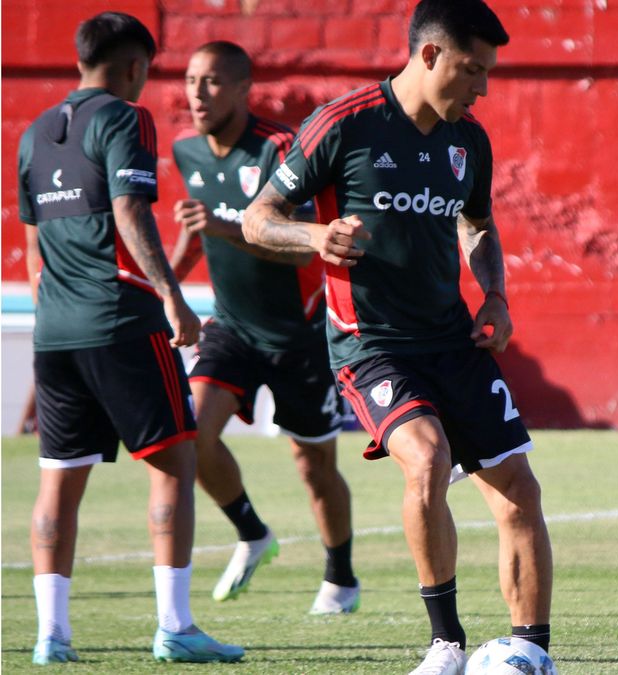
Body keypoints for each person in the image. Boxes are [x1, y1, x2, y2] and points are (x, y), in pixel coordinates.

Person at [243, 1, 552, 672]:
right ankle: (445, 644)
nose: (483, 87)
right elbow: (257, 220)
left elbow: (477, 225)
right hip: (372, 345)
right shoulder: (343, 126)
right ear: (430, 55)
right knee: (428, 456)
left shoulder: (468, 139)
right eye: (473, 69)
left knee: (519, 489)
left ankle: (529, 652)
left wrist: (495, 292)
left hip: (453, 340)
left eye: (489, 73)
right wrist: (315, 236)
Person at [16, 12, 243, 664]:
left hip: (55, 329)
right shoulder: (125, 117)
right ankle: (175, 625)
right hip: (120, 318)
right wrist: (174, 297)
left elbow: (33, 250)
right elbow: (129, 209)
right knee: (175, 460)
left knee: (59, 479)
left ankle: (50, 636)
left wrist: (57, 316)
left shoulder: (33, 134)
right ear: (135, 67)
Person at [169, 40, 360, 614]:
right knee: (190, 435)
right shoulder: (186, 153)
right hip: (230, 328)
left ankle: (341, 578)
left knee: (315, 467)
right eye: (191, 80)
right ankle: (252, 532)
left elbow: (303, 251)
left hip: (301, 337)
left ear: (243, 88)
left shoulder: (280, 148)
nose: (198, 94)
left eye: (213, 82)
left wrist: (225, 229)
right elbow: (193, 234)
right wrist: (165, 288)